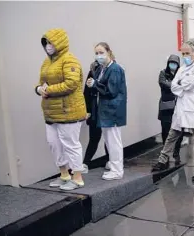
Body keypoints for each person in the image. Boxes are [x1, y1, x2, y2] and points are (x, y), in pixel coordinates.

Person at [35, 28, 86, 190]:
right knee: (54, 144)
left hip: (69, 112)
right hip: (51, 113)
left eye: (51, 42)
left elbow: (71, 84)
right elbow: (41, 82)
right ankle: (64, 175)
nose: (48, 46)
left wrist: (48, 90)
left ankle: (77, 178)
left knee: (70, 144)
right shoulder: (46, 62)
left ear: (59, 42)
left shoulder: (70, 60)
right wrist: (38, 89)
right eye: (46, 43)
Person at [151, 41, 194, 182]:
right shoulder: (182, 68)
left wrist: (181, 84)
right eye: (183, 53)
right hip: (181, 107)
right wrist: (182, 84)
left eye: (187, 53)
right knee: (172, 135)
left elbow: (192, 83)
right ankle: (162, 160)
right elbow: (174, 87)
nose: (185, 56)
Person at [86, 42, 127, 181]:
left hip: (112, 111)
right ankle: (114, 166)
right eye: (96, 53)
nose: (99, 56)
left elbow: (111, 91)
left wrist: (95, 84)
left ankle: (117, 170)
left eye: (101, 52)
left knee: (114, 142)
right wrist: (93, 84)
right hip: (105, 111)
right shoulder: (103, 69)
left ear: (109, 52)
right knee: (109, 142)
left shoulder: (114, 69)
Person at [83, 60, 109, 170]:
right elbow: (86, 92)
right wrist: (87, 110)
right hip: (94, 109)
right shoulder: (92, 71)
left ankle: (110, 160)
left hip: (107, 109)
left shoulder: (112, 71)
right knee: (94, 137)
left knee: (109, 138)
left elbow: (111, 90)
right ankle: (85, 163)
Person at [158, 54, 183, 165]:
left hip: (178, 106)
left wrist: (174, 86)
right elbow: (163, 83)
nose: (172, 65)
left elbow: (184, 86)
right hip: (166, 106)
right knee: (166, 131)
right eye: (171, 63)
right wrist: (175, 86)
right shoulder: (163, 73)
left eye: (175, 63)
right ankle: (166, 154)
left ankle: (176, 152)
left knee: (178, 131)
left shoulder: (181, 74)